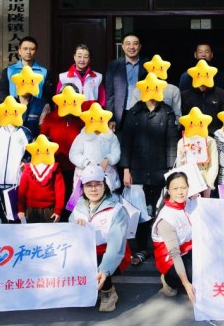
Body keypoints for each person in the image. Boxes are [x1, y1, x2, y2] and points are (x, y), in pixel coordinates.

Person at [119, 96, 180, 265]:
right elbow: (126, 142)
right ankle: (141, 250)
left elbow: (172, 142)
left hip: (160, 170)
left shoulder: (167, 111)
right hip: (137, 171)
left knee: (159, 211)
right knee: (139, 213)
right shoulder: (134, 112)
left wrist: (171, 170)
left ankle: (160, 248)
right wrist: (126, 169)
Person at [70, 164, 132, 312]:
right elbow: (69, 237)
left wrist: (104, 270)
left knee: (96, 263)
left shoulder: (117, 210)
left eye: (97, 184)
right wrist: (75, 226)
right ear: (82, 188)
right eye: (88, 185)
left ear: (105, 185)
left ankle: (108, 291)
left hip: (111, 254)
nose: (93, 189)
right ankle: (87, 287)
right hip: (87, 251)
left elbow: (115, 246)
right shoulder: (77, 208)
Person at [152, 171, 197, 303]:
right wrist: (186, 283)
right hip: (171, 257)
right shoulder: (166, 219)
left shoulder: (188, 203)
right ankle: (169, 280)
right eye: (175, 188)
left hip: (188, 248)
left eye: (183, 187)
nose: (180, 192)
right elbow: (175, 254)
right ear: (168, 191)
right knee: (197, 277)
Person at [69, 106, 122, 192]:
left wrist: (108, 159)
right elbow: (74, 154)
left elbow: (116, 153)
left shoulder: (111, 137)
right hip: (86, 172)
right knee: (87, 193)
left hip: (106, 171)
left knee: (106, 193)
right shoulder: (82, 137)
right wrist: (86, 163)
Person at [16, 135, 66, 223]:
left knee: (49, 231)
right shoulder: (28, 168)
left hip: (50, 210)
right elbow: (22, 191)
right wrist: (21, 209)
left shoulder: (55, 169)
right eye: (38, 150)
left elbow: (60, 191)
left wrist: (58, 210)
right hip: (30, 210)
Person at [104, 33, 147, 130]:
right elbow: (110, 95)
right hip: (121, 114)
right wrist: (111, 118)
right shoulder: (113, 65)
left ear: (140, 46)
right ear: (122, 46)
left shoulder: (147, 65)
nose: (131, 47)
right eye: (128, 43)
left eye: (135, 43)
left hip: (143, 112)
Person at [0, 36, 51, 101]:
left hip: (37, 106)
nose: (28, 52)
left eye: (32, 49)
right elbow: (2, 92)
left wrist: (42, 105)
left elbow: (48, 94)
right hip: (14, 106)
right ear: (19, 51)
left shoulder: (44, 72)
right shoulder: (9, 71)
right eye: (25, 49)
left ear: (36, 51)